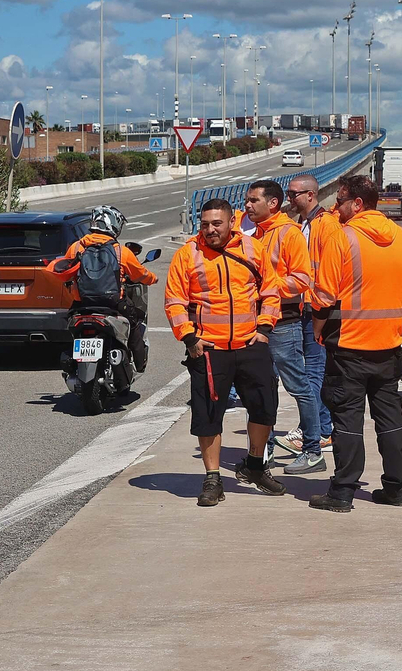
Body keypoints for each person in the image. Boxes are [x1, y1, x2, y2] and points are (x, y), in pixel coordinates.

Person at [307, 174, 402, 512]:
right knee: (391, 419)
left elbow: (324, 295)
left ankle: (342, 492)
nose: (336, 208)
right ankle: (396, 488)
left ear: (357, 204)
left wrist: (317, 330)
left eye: (340, 201)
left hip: (349, 346)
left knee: (347, 420)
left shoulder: (343, 238)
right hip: (389, 345)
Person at [164, 198, 287, 506]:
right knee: (208, 416)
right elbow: (174, 300)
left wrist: (264, 329)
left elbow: (271, 291)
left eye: (217, 223)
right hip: (209, 349)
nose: (210, 230)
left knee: (264, 407)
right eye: (205, 224)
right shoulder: (187, 254)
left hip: (250, 345)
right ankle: (212, 478)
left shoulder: (252, 249)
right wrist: (189, 338)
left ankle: (255, 466)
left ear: (232, 222)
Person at [243, 180, 323, 475]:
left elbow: (302, 280)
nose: (247, 205)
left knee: (298, 386)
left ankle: (313, 450)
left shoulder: (288, 233)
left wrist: (266, 285)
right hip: (258, 323)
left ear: (272, 203)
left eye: (254, 200)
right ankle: (265, 451)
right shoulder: (256, 234)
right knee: (263, 389)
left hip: (283, 323)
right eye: (247, 200)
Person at [47, 205, 159, 371]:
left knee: (70, 328)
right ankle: (139, 363)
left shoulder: (76, 247)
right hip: (113, 303)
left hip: (82, 303)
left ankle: (72, 361)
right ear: (114, 225)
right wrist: (154, 279)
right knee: (134, 323)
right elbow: (141, 275)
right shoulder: (121, 251)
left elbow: (66, 271)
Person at [283, 174, 336, 461]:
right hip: (303, 308)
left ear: (310, 195)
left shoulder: (325, 225)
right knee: (310, 374)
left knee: (313, 374)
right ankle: (322, 428)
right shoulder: (301, 224)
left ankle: (314, 432)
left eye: (294, 194)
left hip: (317, 310)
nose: (289, 198)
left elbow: (329, 272)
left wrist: (320, 313)